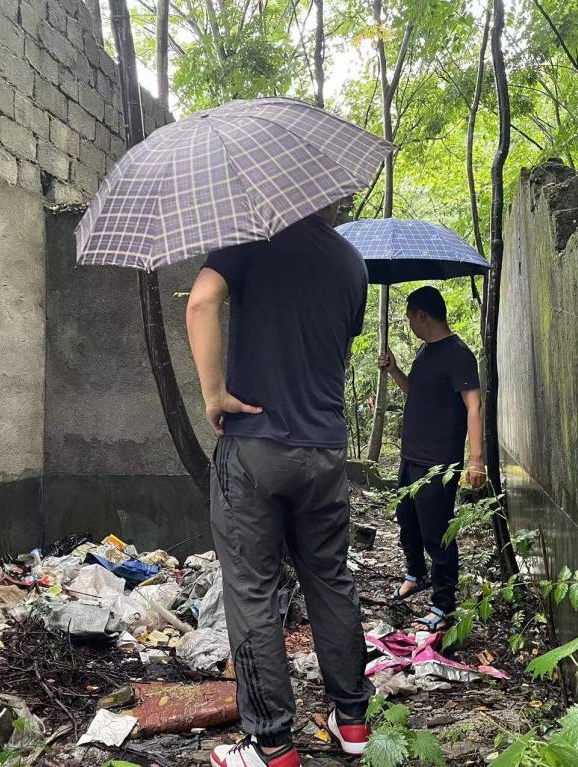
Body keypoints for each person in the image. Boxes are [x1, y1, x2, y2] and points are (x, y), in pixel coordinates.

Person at [186, 204, 374, 767]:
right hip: (324, 452)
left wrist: (214, 394)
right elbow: (334, 348)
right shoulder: (351, 263)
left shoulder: (247, 240)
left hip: (255, 448)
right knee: (331, 579)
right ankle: (353, 722)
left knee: (252, 589)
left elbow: (201, 303)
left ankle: (271, 745)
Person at [378, 286, 484, 632]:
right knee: (407, 520)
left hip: (438, 462)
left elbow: (473, 406)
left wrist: (476, 459)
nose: (410, 324)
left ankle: (443, 604)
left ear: (422, 315)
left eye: (410, 317)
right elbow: (417, 393)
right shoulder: (425, 351)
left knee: (437, 532)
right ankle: (415, 574)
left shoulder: (459, 355)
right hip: (411, 456)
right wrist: (394, 371)